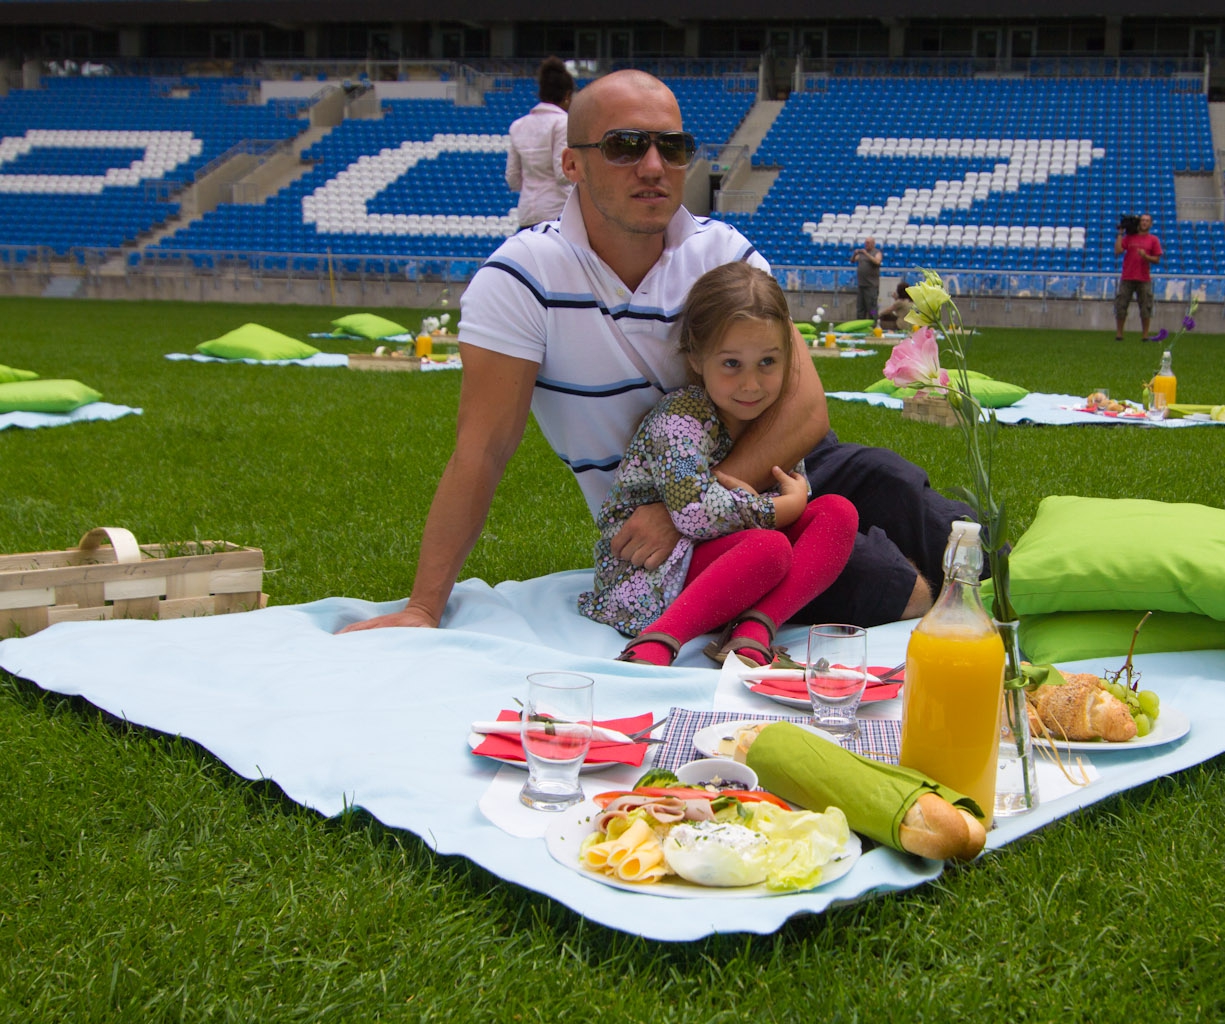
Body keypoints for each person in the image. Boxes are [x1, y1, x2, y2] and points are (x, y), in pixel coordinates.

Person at [339, 70, 973, 640]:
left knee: (910, 495)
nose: (653, 165)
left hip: (776, 458)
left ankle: (1021, 584)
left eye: (671, 147)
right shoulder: (522, 277)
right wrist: (424, 607)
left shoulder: (721, 249)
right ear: (572, 164)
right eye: (624, 145)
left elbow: (806, 410)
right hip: (667, 511)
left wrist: (688, 511)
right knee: (900, 588)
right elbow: (482, 449)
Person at [580, 262, 858, 667]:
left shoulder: (772, 418)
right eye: (731, 364)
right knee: (770, 547)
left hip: (730, 556)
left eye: (768, 362)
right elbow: (694, 514)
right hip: (650, 572)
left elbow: (784, 485)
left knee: (838, 513)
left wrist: (794, 499)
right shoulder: (679, 418)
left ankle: (754, 630)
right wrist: (779, 508)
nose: (751, 384)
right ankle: (658, 641)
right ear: (696, 356)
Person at [504, 56, 575, 231]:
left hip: (527, 214)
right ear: (567, 96)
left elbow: (512, 179)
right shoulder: (562, 123)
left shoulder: (518, 126)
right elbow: (562, 174)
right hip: (556, 214)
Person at [1113, 213, 1162, 341]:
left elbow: (1157, 259)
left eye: (1147, 221)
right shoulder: (1130, 238)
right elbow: (1118, 250)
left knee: (1145, 306)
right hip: (1128, 276)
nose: (1144, 223)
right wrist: (1120, 233)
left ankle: (1145, 335)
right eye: (1142, 220)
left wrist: (1146, 256)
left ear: (1150, 224)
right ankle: (1119, 334)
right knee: (1121, 305)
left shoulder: (1153, 240)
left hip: (1143, 278)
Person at [850, 237, 882, 320]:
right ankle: (860, 322)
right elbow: (852, 260)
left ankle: (874, 321)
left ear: (873, 243)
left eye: (868, 243)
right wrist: (855, 254)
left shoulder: (876, 252)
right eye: (865, 243)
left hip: (871, 286)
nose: (866, 244)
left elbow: (877, 262)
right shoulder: (862, 254)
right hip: (861, 285)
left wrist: (867, 254)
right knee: (860, 307)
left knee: (872, 307)